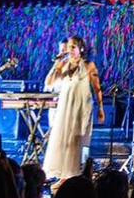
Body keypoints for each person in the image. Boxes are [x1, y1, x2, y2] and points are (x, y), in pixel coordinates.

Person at [42, 35, 104, 183]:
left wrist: (101, 108)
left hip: (82, 109)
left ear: (80, 48)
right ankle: (64, 176)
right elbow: (49, 82)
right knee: (63, 141)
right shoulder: (63, 65)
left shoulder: (89, 65)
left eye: (73, 47)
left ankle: (78, 175)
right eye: (68, 47)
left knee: (79, 142)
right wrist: (57, 64)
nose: (70, 50)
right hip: (65, 108)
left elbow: (97, 88)